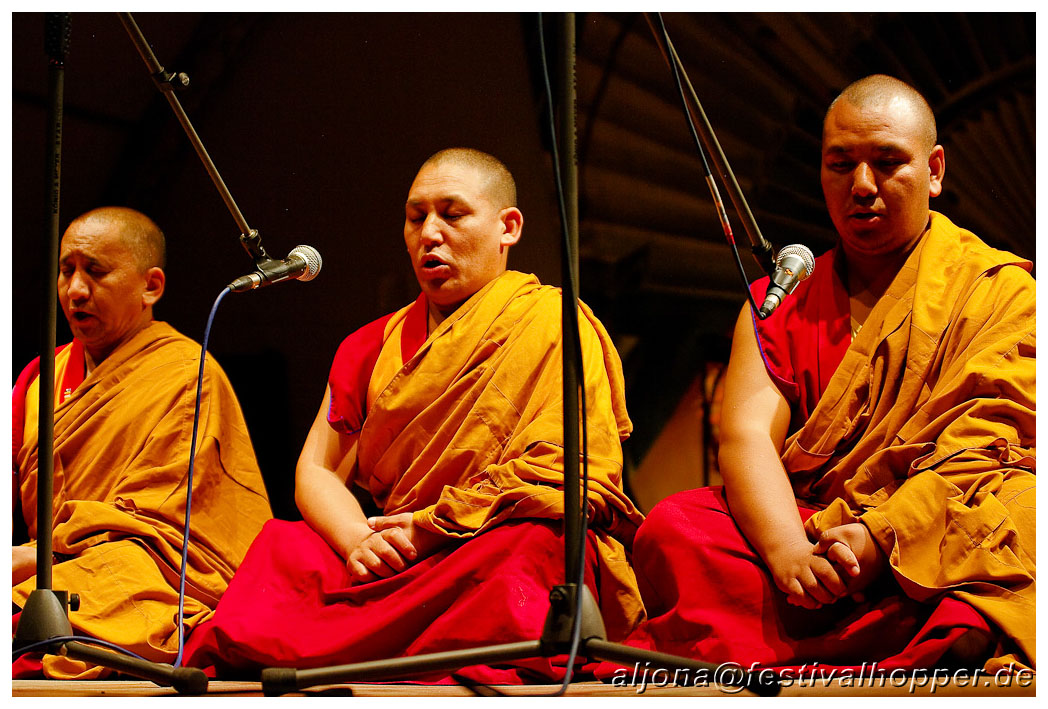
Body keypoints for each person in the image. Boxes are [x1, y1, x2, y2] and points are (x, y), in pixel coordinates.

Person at [614, 75, 1035, 675]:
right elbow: (747, 437)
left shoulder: (1002, 292)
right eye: (842, 164)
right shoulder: (781, 301)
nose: (862, 186)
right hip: (814, 541)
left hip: (923, 536)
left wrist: (882, 537)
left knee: (1024, 506)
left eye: (888, 162)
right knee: (674, 529)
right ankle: (917, 642)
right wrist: (788, 551)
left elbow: (989, 445)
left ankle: (944, 635)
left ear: (935, 169)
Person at [183, 148, 645, 681]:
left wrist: (436, 527)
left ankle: (368, 649)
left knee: (537, 545)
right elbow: (315, 471)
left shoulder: (554, 322)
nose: (429, 234)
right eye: (415, 216)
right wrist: (359, 539)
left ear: (508, 227)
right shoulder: (368, 345)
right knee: (285, 546)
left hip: (482, 544)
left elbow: (568, 472)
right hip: (394, 555)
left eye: (452, 214)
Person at [12, 207, 273, 679]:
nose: (74, 289)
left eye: (96, 272)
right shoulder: (38, 380)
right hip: (50, 573)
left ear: (151, 286)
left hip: (142, 574)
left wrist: (37, 558)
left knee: (102, 608)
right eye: (66, 270)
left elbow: (163, 526)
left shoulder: (187, 375)